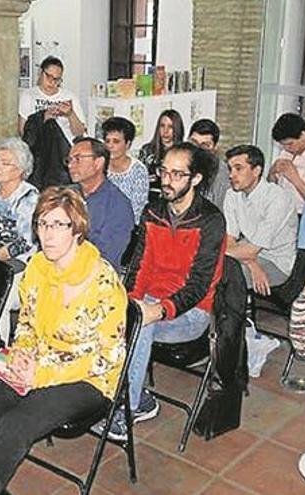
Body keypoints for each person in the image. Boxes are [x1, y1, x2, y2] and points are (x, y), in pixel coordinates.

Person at [0, 186, 127, 491]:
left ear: (77, 229)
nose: (47, 234)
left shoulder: (102, 281)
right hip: (35, 360)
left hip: (88, 377)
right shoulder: (37, 268)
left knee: (15, 424)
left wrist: (41, 373)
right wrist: (23, 352)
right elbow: (26, 322)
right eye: (42, 224)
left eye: (58, 225)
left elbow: (107, 357)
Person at [93, 142, 226, 440]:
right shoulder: (153, 212)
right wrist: (128, 303)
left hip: (192, 313)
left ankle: (127, 409)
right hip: (151, 302)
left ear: (196, 179)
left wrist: (159, 309)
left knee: (141, 325)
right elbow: (140, 267)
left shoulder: (211, 221)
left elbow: (198, 285)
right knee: (108, 314)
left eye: (177, 174)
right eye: (164, 171)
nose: (166, 180)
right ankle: (117, 394)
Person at [224, 144, 297, 294]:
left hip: (277, 263)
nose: (232, 175)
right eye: (230, 169)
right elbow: (230, 238)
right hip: (246, 254)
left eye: (238, 168)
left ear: (256, 171)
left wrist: (212, 252)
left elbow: (250, 251)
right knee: (207, 269)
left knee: (224, 275)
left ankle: (232, 318)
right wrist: (251, 263)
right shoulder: (232, 194)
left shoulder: (277, 198)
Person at [67, 136, 134, 271]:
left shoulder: (118, 205)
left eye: (78, 159)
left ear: (98, 163)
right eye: (69, 160)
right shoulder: (65, 196)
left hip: (94, 276)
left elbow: (106, 257)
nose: (70, 165)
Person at [18, 56, 86, 145]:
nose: (52, 82)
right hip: (38, 148)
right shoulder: (28, 95)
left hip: (65, 148)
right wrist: (43, 117)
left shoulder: (69, 96)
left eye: (56, 79)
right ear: (41, 73)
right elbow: (23, 131)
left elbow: (79, 133)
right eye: (49, 76)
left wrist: (70, 114)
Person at [268, 113, 305, 215]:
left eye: (290, 144)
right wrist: (272, 172)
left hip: (303, 217)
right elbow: (271, 185)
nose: (286, 148)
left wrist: (295, 179)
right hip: (280, 215)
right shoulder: (285, 154)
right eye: (283, 145)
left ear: (303, 135)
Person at [103, 116, 149, 223]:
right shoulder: (99, 166)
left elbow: (136, 213)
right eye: (107, 141)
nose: (110, 146)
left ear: (128, 144)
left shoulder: (138, 171)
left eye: (116, 141)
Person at [189, 118, 230, 212]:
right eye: (193, 142)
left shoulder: (223, 174)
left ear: (215, 148)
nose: (197, 149)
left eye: (205, 145)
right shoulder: (180, 163)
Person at [138, 108, 185, 176]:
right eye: (162, 126)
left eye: (170, 127)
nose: (165, 131)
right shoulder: (147, 150)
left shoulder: (184, 152)